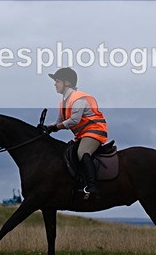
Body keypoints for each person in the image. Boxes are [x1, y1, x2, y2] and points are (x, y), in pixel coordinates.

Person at [45, 67, 108, 199]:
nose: (54, 84)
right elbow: (59, 121)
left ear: (67, 83)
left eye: (57, 81)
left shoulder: (79, 98)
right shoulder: (62, 102)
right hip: (82, 135)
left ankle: (93, 187)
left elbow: (74, 120)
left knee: (82, 153)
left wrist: (56, 127)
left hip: (95, 131)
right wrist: (47, 127)